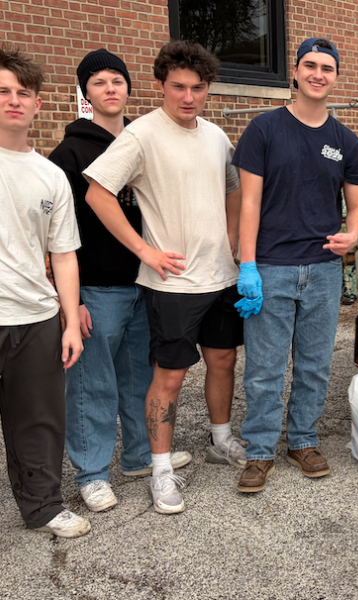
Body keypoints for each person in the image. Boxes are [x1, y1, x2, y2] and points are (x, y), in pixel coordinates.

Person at [84, 40, 246, 515]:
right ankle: (159, 471)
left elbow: (233, 188)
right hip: (173, 285)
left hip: (222, 277)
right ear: (160, 85)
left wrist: (233, 238)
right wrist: (144, 251)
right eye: (178, 87)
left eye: (198, 88)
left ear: (208, 88)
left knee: (223, 362)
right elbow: (97, 193)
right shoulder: (141, 135)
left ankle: (220, 439)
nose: (188, 96)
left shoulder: (216, 136)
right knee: (169, 378)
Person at [49, 49, 192, 513]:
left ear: (130, 87)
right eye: (98, 82)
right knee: (92, 385)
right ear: (85, 93)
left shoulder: (142, 139)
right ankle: (91, 473)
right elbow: (49, 237)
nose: (111, 89)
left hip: (144, 285)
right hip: (95, 288)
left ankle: (137, 456)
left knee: (138, 379)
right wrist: (70, 303)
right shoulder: (69, 153)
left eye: (117, 80)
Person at [232, 37, 358, 492]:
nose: (317, 74)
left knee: (313, 365)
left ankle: (304, 441)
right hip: (271, 266)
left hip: (324, 270)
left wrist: (353, 234)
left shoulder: (345, 141)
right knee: (265, 367)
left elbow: (356, 206)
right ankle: (259, 450)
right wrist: (247, 265)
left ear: (335, 77)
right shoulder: (264, 130)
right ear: (294, 72)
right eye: (309, 65)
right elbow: (248, 203)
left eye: (327, 68)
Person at [0, 46, 89, 537]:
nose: (13, 101)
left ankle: (43, 507)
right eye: (3, 92)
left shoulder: (51, 175)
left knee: (38, 421)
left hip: (34, 317)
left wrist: (70, 320)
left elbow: (64, 255)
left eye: (23, 93)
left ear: (37, 104)